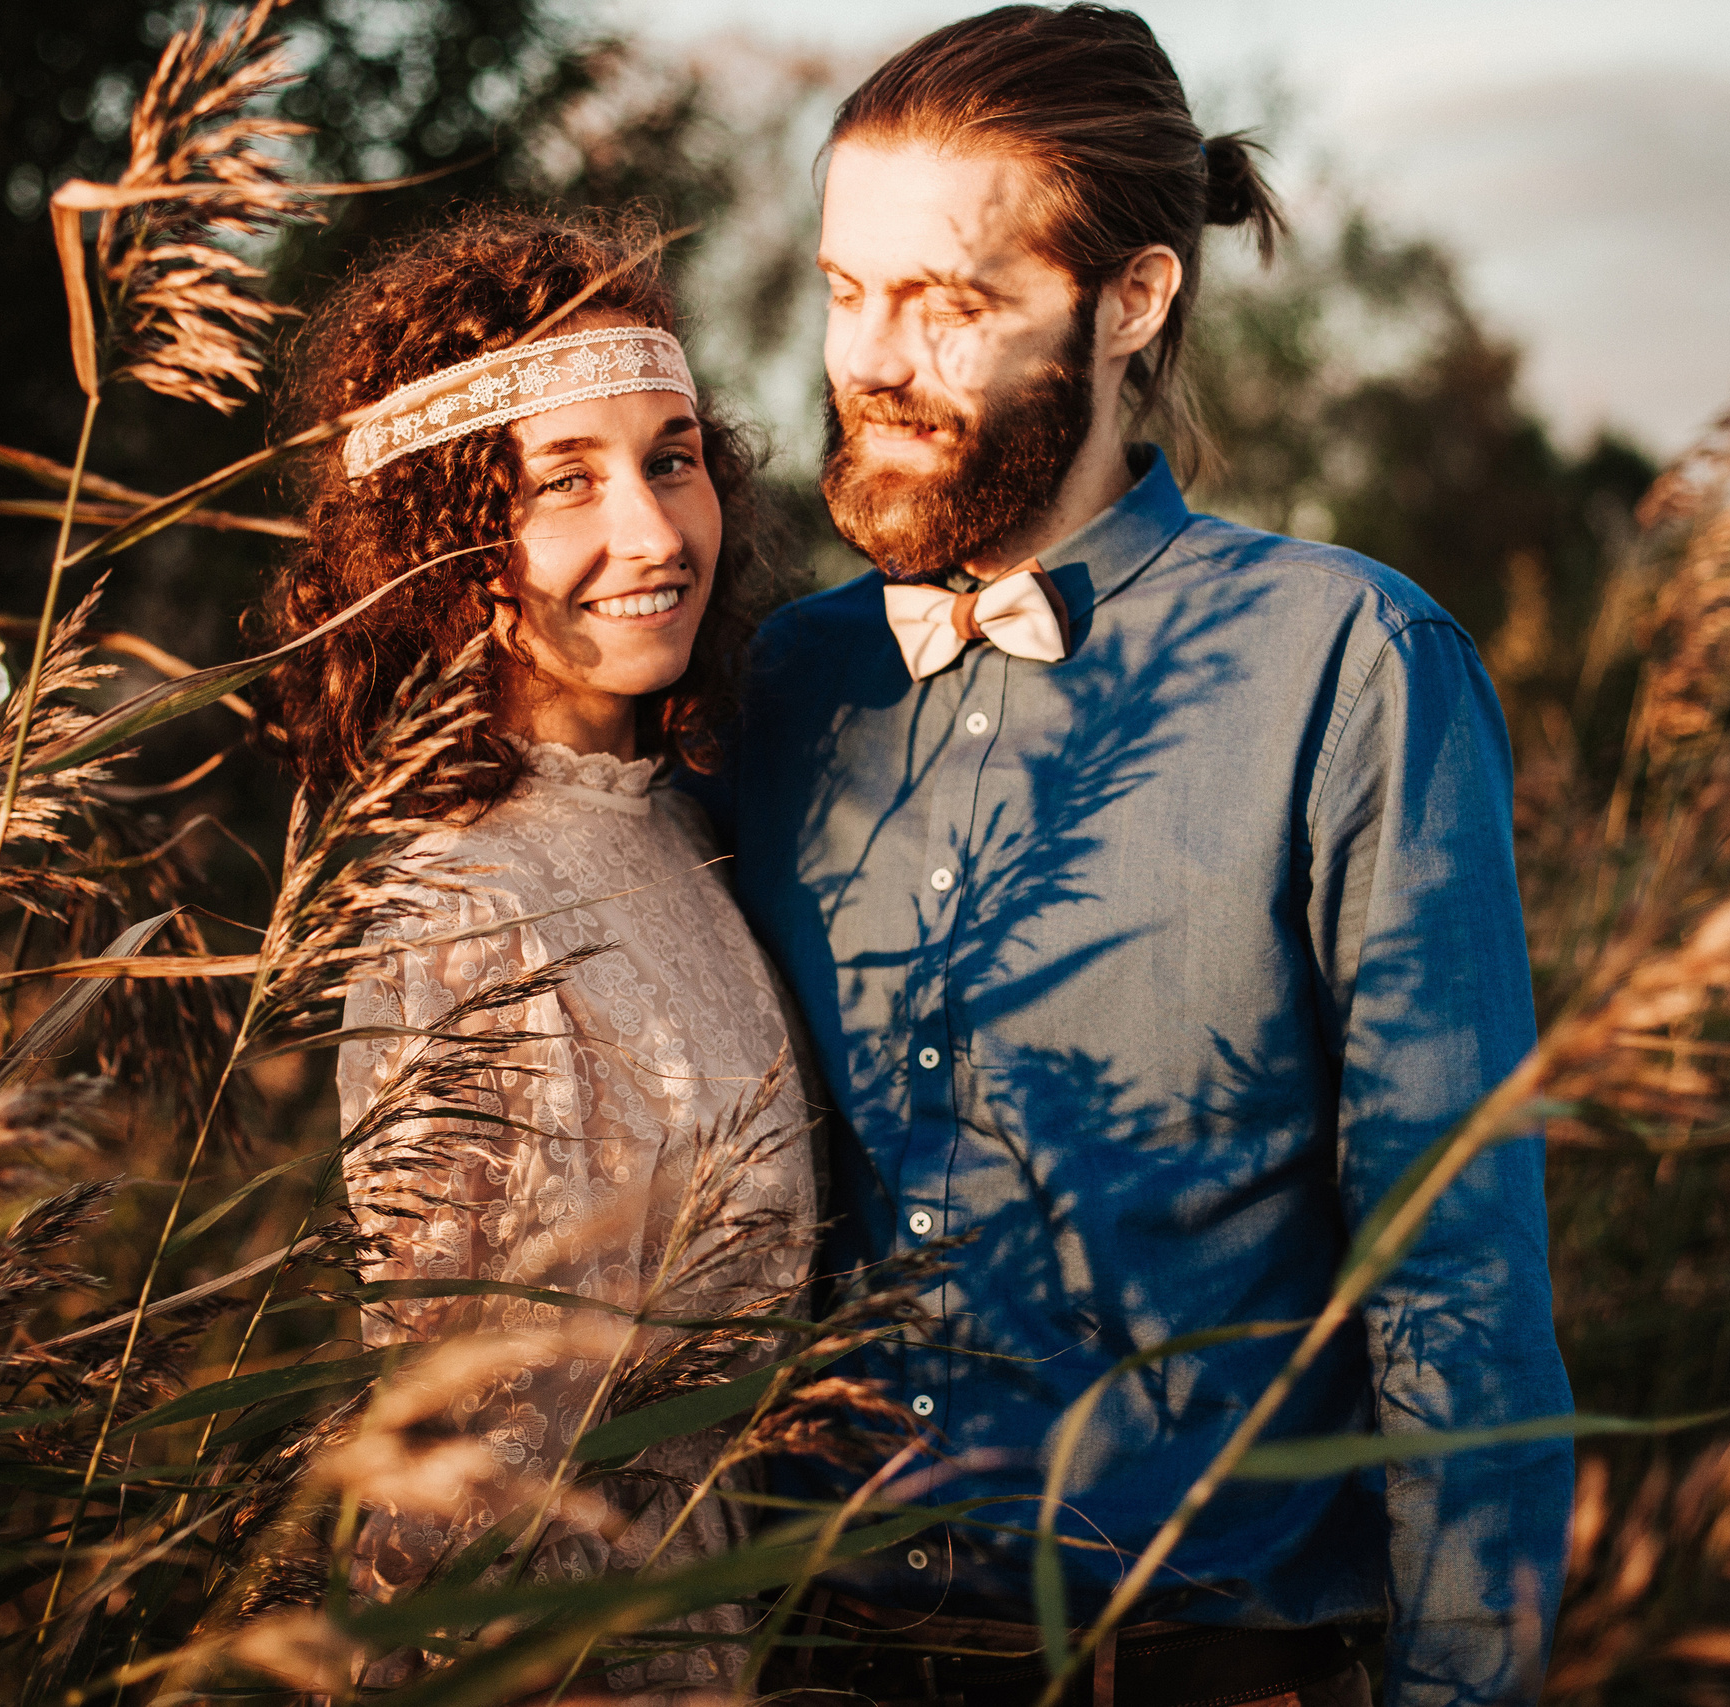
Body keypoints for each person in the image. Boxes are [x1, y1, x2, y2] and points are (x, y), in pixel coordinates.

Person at [699, 8, 1575, 1705]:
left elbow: (1454, 1277)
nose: (869, 359)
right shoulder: (780, 684)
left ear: (1132, 300)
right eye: (844, 289)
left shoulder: (1352, 667)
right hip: (812, 1662)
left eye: (949, 304)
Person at [260, 208, 818, 1702]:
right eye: (564, 481)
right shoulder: (465, 904)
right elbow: (468, 1454)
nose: (656, 532)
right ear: (444, 544)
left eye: (673, 459)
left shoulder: (680, 825)